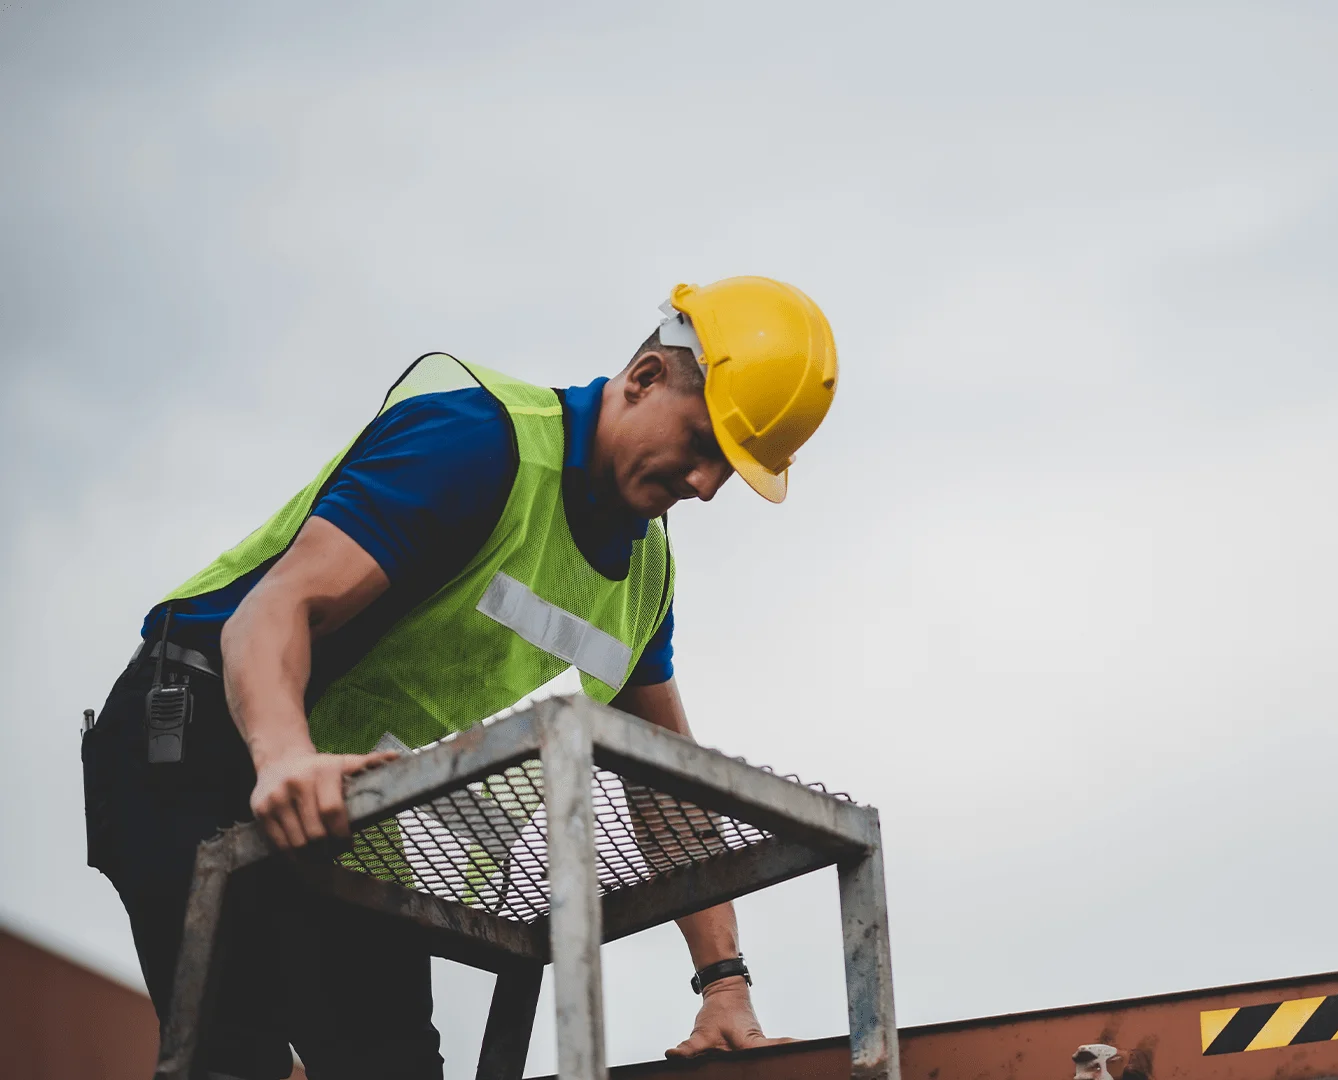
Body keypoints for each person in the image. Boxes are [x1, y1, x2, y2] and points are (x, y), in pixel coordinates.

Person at [80, 277, 837, 1080]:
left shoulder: (643, 578)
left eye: (730, 467)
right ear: (645, 378)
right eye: (702, 443)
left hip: (349, 793)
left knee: (397, 1066)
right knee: (233, 1057)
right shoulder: (478, 441)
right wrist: (284, 758)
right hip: (199, 737)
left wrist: (724, 984)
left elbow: (666, 786)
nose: (707, 486)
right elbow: (274, 612)